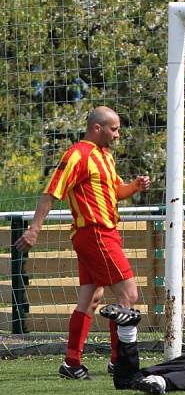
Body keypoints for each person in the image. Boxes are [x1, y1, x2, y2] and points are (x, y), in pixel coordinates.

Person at [14, 106, 150, 380]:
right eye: (114, 129)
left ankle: (72, 363)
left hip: (101, 234)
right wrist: (34, 229)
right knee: (128, 295)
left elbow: (114, 192)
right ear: (97, 128)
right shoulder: (78, 154)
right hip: (96, 234)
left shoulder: (105, 157)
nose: (118, 135)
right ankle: (120, 361)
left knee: (92, 297)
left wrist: (134, 187)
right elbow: (51, 192)